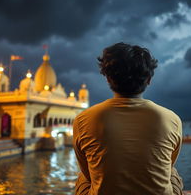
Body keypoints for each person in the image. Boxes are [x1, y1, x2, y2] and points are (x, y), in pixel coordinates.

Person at [73, 42, 183, 195]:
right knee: (172, 172)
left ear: (108, 79)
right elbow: (169, 163)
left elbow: (86, 172)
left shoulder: (83, 119)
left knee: (83, 177)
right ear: (149, 79)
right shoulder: (172, 119)